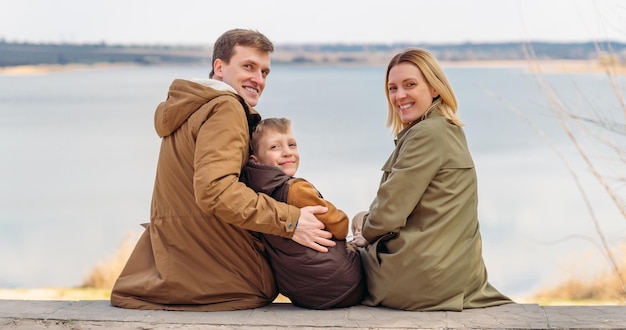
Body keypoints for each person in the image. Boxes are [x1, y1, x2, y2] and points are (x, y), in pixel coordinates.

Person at [110, 29, 335, 312]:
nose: (258, 79)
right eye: (248, 67)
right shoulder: (226, 108)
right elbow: (215, 191)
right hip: (221, 275)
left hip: (181, 263)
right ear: (219, 67)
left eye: (265, 72)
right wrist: (291, 221)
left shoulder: (193, 106)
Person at [350, 48, 512, 312]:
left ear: (435, 88)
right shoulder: (449, 130)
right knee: (363, 220)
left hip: (419, 281)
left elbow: (389, 212)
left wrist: (364, 234)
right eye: (392, 88)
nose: (399, 96)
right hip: (456, 278)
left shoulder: (426, 134)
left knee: (356, 222)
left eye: (410, 85)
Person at [240, 118, 365, 309]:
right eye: (275, 147)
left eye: (291, 145)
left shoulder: (252, 196)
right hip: (343, 284)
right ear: (255, 160)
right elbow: (340, 226)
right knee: (362, 223)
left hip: (303, 295)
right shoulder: (296, 190)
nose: (287, 152)